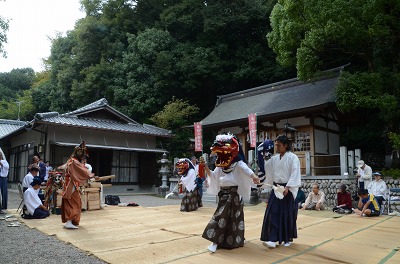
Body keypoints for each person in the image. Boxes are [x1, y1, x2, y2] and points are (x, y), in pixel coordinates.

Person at [203, 134, 260, 253]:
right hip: (223, 194)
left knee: (233, 218)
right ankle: (216, 241)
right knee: (221, 216)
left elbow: (246, 170)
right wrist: (207, 170)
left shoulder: (238, 163)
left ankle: (229, 241)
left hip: (234, 194)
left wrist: (254, 176)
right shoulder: (220, 165)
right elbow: (214, 176)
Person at [261, 135, 301, 248]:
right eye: (276, 145)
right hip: (276, 188)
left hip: (287, 188)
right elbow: (266, 167)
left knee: (287, 213)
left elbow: (295, 173)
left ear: (285, 145)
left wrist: (288, 187)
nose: (276, 147)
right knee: (273, 211)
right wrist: (262, 155)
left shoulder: (293, 158)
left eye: (278, 145)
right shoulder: (274, 158)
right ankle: (273, 239)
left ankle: (287, 238)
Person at [59, 141, 94, 229]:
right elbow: (82, 171)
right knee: (75, 202)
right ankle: (69, 221)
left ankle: (70, 221)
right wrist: (90, 175)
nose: (83, 158)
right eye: (83, 156)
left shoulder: (71, 161)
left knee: (71, 203)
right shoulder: (74, 162)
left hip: (69, 184)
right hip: (71, 185)